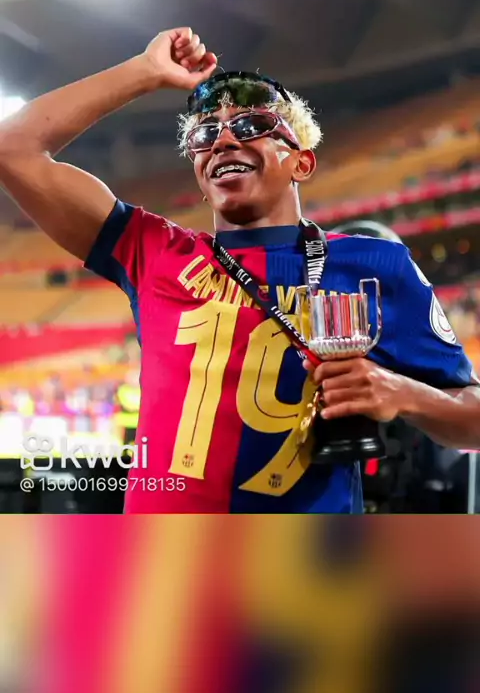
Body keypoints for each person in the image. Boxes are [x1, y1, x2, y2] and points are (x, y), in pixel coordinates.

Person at [0, 26, 479, 514]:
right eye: (205, 134)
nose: (224, 140)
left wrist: (405, 393)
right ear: (199, 172)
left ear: (301, 163)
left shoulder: (375, 263)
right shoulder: (154, 250)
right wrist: (144, 72)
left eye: (252, 126)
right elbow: (12, 146)